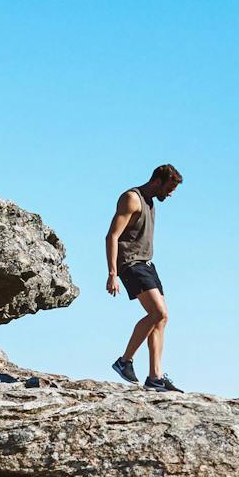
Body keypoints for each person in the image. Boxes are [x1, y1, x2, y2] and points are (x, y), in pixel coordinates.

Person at [106, 163, 182, 391]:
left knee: (162, 319)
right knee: (158, 312)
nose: (170, 195)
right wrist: (112, 273)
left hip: (147, 264)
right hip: (130, 263)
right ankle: (124, 361)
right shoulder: (132, 198)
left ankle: (155, 377)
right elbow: (112, 235)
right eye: (169, 189)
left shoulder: (149, 201)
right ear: (157, 181)